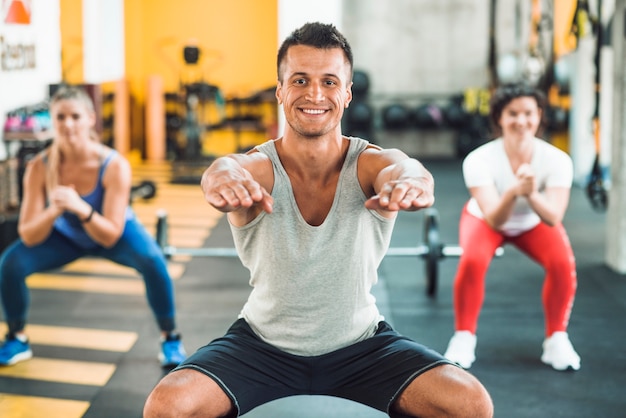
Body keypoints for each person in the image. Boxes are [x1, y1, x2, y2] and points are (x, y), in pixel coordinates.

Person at [143, 22, 493, 418]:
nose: (314, 94)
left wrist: (413, 182)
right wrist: (221, 178)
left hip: (362, 348)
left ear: (347, 94)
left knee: (470, 404)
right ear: (280, 90)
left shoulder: (368, 164)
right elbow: (226, 168)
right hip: (261, 348)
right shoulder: (258, 168)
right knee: (167, 405)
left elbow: (404, 168)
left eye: (329, 82)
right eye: (300, 80)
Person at [0, 85, 187, 368]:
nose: (68, 124)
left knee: (153, 261)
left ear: (90, 118)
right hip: (68, 236)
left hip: (114, 231)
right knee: (10, 264)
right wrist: (55, 210)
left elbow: (110, 235)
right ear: (52, 121)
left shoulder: (113, 165)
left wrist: (80, 207)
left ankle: (170, 337)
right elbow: (28, 232)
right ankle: (17, 337)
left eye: (75, 116)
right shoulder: (40, 166)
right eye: (60, 117)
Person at [443, 83, 580, 372]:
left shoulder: (557, 160)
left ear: (539, 115)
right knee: (472, 262)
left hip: (533, 221)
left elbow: (553, 217)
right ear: (499, 119)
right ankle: (463, 337)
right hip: (487, 218)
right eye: (512, 113)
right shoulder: (478, 160)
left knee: (562, 265)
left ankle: (557, 338)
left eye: (528, 113)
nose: (521, 120)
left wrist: (530, 193)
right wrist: (514, 190)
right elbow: (495, 218)